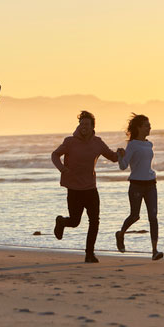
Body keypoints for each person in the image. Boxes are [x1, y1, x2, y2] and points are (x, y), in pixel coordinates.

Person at [51, 110, 120, 263]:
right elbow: (54, 155)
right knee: (75, 222)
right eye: (81, 124)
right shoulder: (70, 141)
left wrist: (122, 153)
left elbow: (113, 157)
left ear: (92, 126)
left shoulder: (98, 143)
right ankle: (62, 222)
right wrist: (61, 168)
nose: (84, 127)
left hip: (91, 188)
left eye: (87, 124)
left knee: (94, 221)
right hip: (74, 189)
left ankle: (89, 254)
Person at [115, 114, 163, 260]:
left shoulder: (149, 144)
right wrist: (119, 156)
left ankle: (154, 251)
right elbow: (123, 166)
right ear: (138, 128)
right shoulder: (133, 145)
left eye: (149, 125)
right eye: (146, 125)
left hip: (151, 184)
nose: (150, 127)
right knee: (135, 215)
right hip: (136, 184)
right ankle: (121, 233)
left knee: (153, 217)